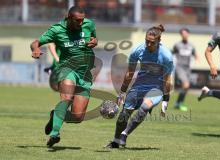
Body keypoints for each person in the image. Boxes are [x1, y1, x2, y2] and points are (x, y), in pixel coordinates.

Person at [30, 6, 98, 147]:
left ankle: (55, 115)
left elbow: (94, 38)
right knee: (66, 98)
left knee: (77, 117)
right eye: (77, 20)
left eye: (82, 20)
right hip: (67, 69)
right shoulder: (57, 30)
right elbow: (36, 42)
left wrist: (95, 42)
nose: (80, 23)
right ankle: (55, 134)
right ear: (69, 17)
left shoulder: (88, 24)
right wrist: (36, 49)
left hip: (84, 73)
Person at [105, 24, 174, 148]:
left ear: (159, 41)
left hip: (156, 87)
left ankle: (125, 134)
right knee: (124, 114)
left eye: (152, 42)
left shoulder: (166, 56)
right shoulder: (138, 50)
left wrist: (166, 99)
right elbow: (130, 73)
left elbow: (167, 79)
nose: (148, 44)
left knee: (145, 107)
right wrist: (122, 92)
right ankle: (115, 141)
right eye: (146, 41)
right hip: (139, 85)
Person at [173, 28, 198, 111]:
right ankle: (179, 103)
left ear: (188, 34)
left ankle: (178, 103)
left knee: (186, 87)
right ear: (181, 35)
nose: (184, 35)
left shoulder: (191, 45)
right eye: (183, 34)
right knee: (186, 85)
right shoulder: (177, 45)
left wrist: (197, 57)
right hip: (179, 67)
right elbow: (172, 53)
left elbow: (195, 54)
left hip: (187, 69)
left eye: (186, 33)